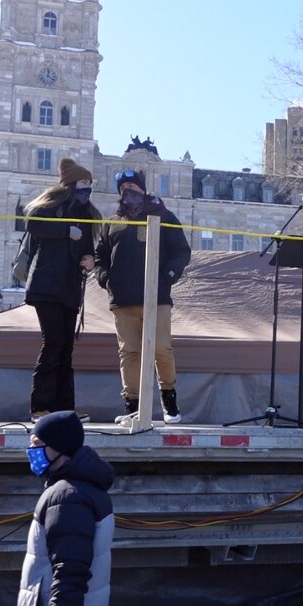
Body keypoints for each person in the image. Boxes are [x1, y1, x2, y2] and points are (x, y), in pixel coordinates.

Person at [17, 411, 114, 606]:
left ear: (59, 448)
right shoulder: (77, 490)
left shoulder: (68, 497)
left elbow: (69, 572)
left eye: (37, 444)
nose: (31, 451)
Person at [94, 169, 191, 425]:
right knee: (130, 352)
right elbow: (100, 256)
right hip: (123, 298)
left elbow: (181, 249)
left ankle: (169, 401)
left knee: (161, 349)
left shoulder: (163, 215)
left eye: (133, 186)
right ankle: (132, 406)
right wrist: (105, 278)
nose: (129, 190)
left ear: (143, 190)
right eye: (124, 186)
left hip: (156, 296)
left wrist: (170, 273)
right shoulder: (112, 222)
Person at [23, 158, 100, 421]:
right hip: (46, 286)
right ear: (70, 184)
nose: (87, 187)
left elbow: (88, 245)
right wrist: (66, 231)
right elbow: (33, 223)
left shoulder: (88, 212)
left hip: (70, 287)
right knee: (53, 344)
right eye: (83, 182)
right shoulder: (52, 205)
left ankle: (65, 410)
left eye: (89, 183)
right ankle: (40, 407)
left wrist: (91, 260)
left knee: (66, 349)